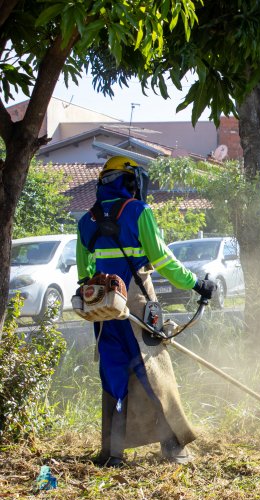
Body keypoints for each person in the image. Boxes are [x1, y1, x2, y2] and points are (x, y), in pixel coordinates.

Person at [77, 156, 216, 466]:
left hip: (103, 308)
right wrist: (196, 284)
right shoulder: (138, 212)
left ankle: (112, 452)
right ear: (130, 182)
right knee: (154, 370)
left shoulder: (87, 220)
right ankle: (173, 445)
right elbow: (163, 259)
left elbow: (84, 270)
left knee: (113, 374)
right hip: (137, 302)